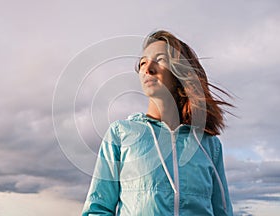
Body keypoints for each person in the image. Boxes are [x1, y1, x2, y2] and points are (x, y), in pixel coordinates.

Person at [82, 30, 234, 215]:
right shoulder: (121, 134)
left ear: (180, 72)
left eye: (159, 59)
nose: (148, 68)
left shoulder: (209, 145)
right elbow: (97, 209)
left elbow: (223, 211)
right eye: (143, 62)